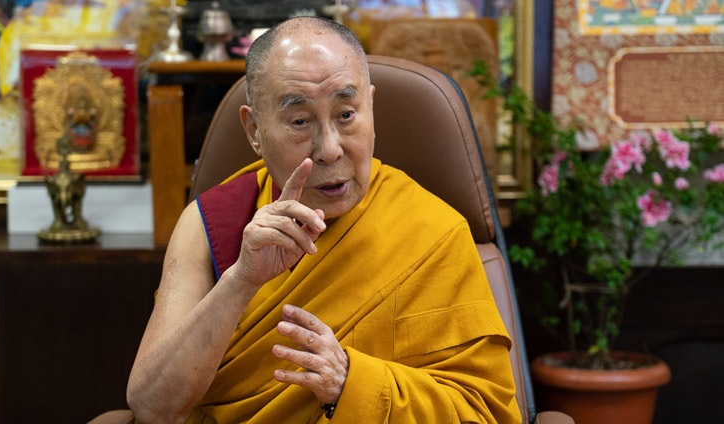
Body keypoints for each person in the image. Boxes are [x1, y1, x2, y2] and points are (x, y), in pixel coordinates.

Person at [126, 16, 520, 423]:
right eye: (300, 121)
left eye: (347, 114)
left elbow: (484, 412)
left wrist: (351, 382)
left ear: (370, 106)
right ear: (254, 130)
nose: (329, 149)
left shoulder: (434, 231)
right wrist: (241, 281)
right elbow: (153, 406)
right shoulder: (212, 223)